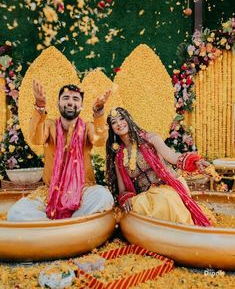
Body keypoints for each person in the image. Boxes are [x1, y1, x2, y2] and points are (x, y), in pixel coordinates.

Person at [7, 81, 114, 221]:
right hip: (50, 192)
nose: (70, 102)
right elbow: (36, 138)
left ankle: (57, 227)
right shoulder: (50, 125)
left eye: (75, 99)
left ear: (81, 106)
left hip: (82, 190)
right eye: (66, 98)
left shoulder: (87, 127)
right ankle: (69, 227)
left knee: (103, 196)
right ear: (58, 103)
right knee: (16, 212)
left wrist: (99, 112)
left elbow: (100, 140)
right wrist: (39, 106)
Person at [106, 107, 213, 226]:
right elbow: (122, 190)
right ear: (111, 128)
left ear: (129, 119)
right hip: (145, 198)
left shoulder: (150, 139)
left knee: (163, 199)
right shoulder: (119, 157)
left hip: (167, 189)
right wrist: (127, 199)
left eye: (121, 118)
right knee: (133, 208)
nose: (119, 124)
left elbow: (172, 156)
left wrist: (195, 161)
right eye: (114, 122)